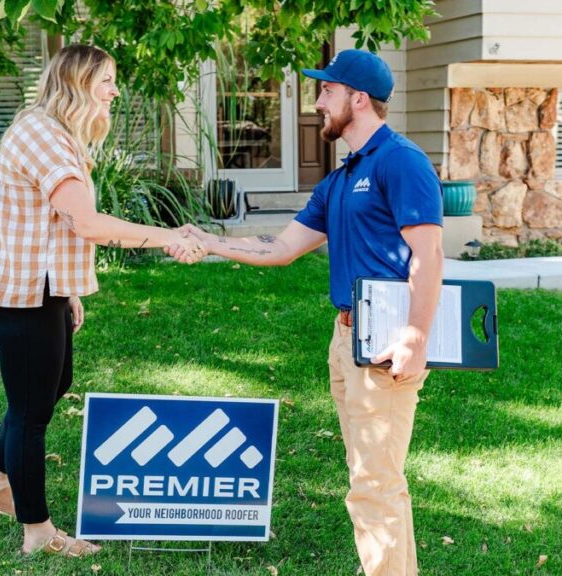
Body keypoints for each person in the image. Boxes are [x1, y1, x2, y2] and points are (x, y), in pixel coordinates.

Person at [183, 49, 443, 575]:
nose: (317, 102)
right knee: (371, 477)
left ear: (359, 98)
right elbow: (280, 247)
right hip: (347, 337)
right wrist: (210, 243)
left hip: (387, 343)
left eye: (327, 91)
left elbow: (429, 254)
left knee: (374, 483)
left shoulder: (401, 161)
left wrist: (416, 336)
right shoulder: (343, 177)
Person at [0, 44, 206, 558]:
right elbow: (88, 223)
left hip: (37, 285)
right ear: (77, 84)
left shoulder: (53, 132)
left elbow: (50, 222)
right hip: (16, 293)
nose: (115, 91)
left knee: (55, 383)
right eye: (107, 81)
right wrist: (167, 237)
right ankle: (38, 534)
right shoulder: (45, 138)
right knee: (31, 412)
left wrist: (66, 289)